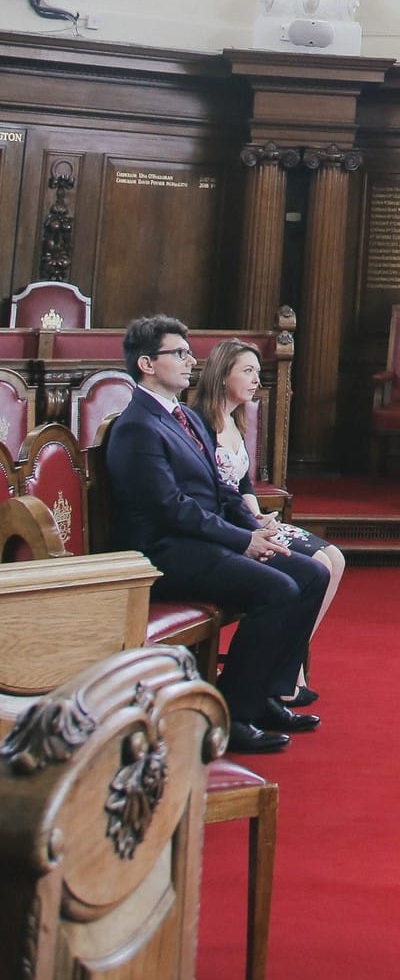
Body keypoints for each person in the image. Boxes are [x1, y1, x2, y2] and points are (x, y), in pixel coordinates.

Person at [103, 316, 328, 756]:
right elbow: (171, 509)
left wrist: (254, 526)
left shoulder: (184, 416)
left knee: (312, 575)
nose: (191, 361)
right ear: (147, 364)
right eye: (179, 353)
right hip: (163, 554)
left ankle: (264, 694)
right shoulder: (136, 426)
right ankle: (231, 713)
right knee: (279, 589)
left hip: (203, 541)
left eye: (189, 352)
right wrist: (241, 541)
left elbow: (219, 489)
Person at [191, 337, 345, 711]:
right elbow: (213, 488)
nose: (256, 380)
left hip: (247, 517)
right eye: (247, 371)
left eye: (258, 372)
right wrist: (251, 523)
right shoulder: (199, 422)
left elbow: (242, 483)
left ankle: (288, 665)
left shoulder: (236, 419)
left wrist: (259, 512)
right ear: (221, 373)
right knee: (316, 567)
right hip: (228, 526)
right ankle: (286, 673)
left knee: (335, 558)